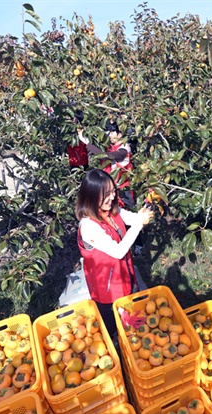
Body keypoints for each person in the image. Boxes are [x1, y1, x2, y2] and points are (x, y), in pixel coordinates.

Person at [75, 169, 153, 340]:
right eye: (106, 194)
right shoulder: (88, 227)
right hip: (107, 289)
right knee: (112, 325)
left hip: (123, 275)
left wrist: (145, 212)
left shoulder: (110, 210)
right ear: (92, 196)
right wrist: (139, 224)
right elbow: (118, 251)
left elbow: (132, 219)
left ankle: (129, 339)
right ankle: (115, 345)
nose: (111, 198)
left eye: (113, 192)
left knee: (130, 318)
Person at [78, 119, 135, 207]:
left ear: (120, 135)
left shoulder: (124, 150)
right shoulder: (113, 147)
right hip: (111, 188)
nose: (110, 135)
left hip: (123, 191)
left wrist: (87, 143)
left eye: (112, 132)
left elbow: (106, 156)